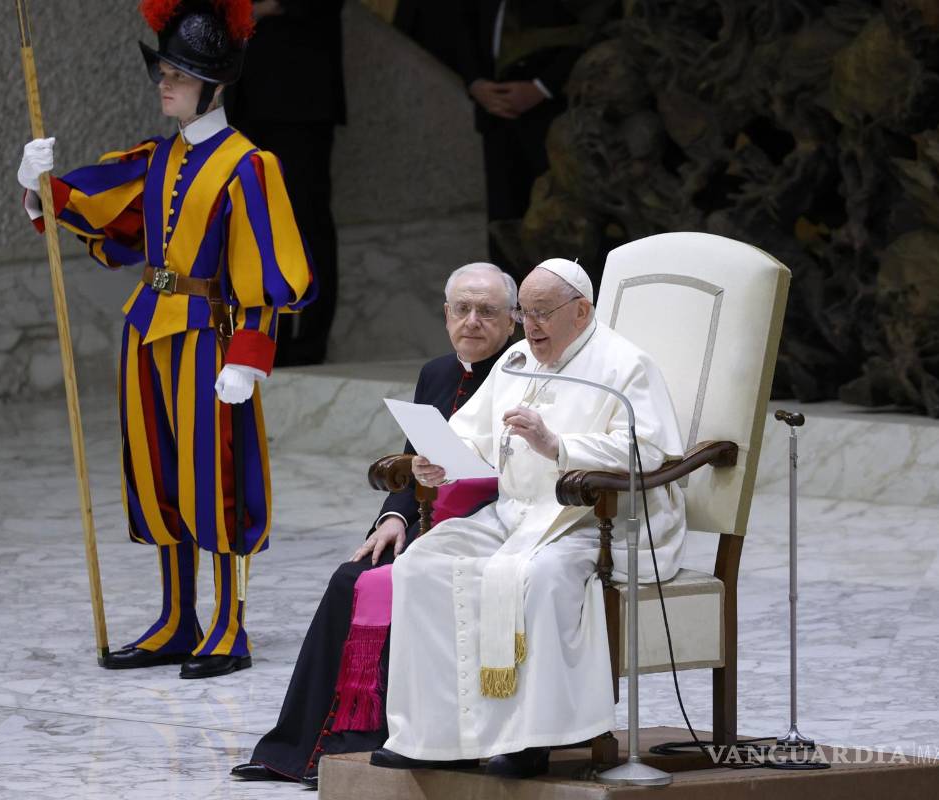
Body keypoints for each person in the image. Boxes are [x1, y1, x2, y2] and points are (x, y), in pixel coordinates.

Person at [15, 0, 314, 679]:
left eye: (177, 73)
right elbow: (103, 210)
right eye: (164, 71)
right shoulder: (158, 157)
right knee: (158, 478)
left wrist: (250, 358)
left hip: (212, 339)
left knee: (216, 482)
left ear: (213, 84)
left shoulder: (249, 166)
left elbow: (267, 272)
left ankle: (228, 626)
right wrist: (41, 187)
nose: (164, 83)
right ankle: (178, 618)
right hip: (148, 331)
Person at [372, 258, 686, 778]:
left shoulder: (623, 366)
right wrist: (438, 458)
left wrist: (557, 444)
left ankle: (533, 740)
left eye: (543, 313)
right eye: (526, 312)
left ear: (580, 311)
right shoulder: (517, 358)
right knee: (420, 565)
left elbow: (651, 450)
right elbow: (471, 432)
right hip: (514, 514)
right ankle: (432, 735)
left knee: (539, 577)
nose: (531, 325)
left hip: (590, 520)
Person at [231, 263, 516, 789]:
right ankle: (296, 750)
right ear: (446, 314)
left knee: (377, 585)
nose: (472, 321)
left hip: (485, 531)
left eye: (487, 311)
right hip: (424, 525)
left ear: (513, 321)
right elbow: (414, 461)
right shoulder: (435, 372)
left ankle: (356, 748)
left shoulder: (520, 377)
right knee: (349, 578)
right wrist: (391, 517)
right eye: (462, 309)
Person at [225, 0, 345, 366]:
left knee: (306, 217)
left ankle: (308, 342)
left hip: (298, 96)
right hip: (246, 96)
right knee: (254, 220)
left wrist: (254, 10)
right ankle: (262, 335)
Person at [455, 2, 610, 279]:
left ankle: (570, 305)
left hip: (555, 113)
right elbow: (463, 26)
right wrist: (475, 83)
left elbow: (598, 28)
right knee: (505, 220)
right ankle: (515, 308)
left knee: (561, 216)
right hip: (496, 114)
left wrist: (542, 87)